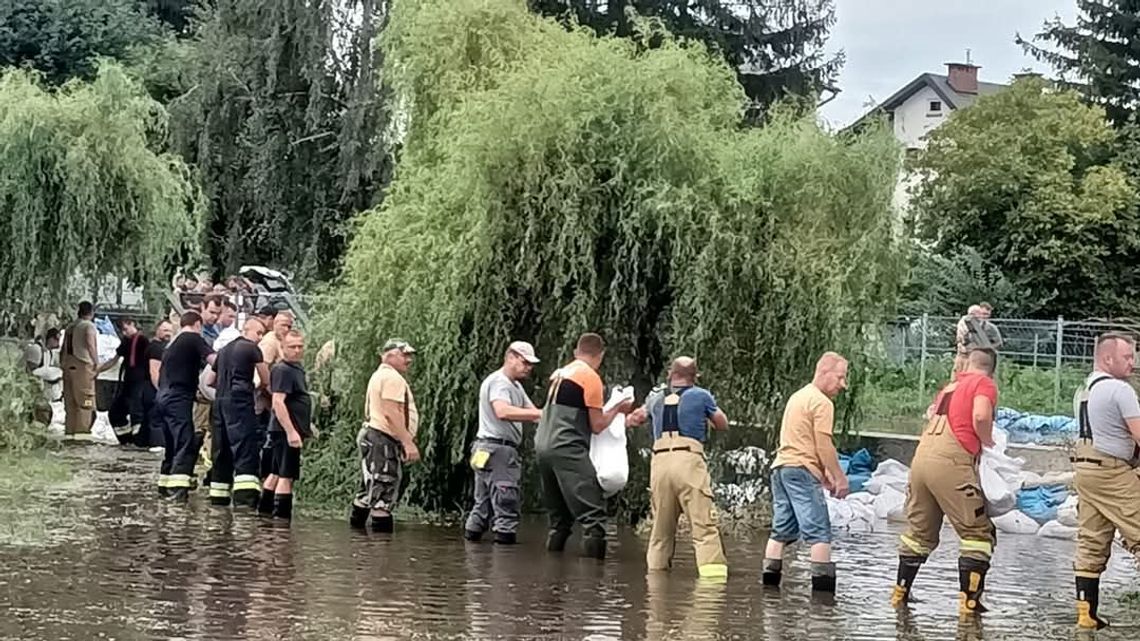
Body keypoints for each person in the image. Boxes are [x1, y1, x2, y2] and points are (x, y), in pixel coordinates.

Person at [891, 348, 998, 615]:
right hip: (951, 463)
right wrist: (987, 441)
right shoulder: (983, 383)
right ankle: (969, 604)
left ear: (968, 363)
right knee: (978, 534)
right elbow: (981, 415)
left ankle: (900, 594)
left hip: (921, 461)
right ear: (992, 369)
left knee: (919, 534)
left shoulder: (950, 387)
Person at [627, 356, 730, 579]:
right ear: (695, 377)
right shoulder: (701, 395)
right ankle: (713, 591)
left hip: (660, 463)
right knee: (704, 528)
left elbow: (635, 419)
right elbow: (722, 423)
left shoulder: (655, 398)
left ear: (670, 374)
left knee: (660, 532)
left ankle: (655, 585)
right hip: (688, 462)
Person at [534, 333, 631, 560]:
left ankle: (552, 573)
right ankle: (593, 586)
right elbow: (597, 425)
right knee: (594, 516)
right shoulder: (590, 378)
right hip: (567, 447)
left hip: (542, 445)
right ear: (601, 355)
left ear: (576, 352)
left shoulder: (559, 374)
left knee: (560, 520)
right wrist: (617, 408)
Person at [762, 352, 850, 595]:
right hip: (800, 470)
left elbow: (800, 440)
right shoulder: (822, 402)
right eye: (840, 378)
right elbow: (823, 445)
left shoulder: (798, 396)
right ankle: (823, 604)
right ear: (824, 372)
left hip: (781, 469)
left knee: (781, 531)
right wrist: (839, 477)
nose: (843, 385)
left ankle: (769, 591)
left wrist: (822, 475)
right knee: (820, 533)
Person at [1071, 333, 1140, 629]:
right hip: (1112, 471)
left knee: (1091, 541)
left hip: (1085, 470)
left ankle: (1086, 616)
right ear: (1107, 358)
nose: (1133, 363)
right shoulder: (1119, 390)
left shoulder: (1084, 390)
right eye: (1128, 357)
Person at [463, 341, 543, 545]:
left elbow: (534, 413)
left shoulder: (515, 385)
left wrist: (548, 415)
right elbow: (503, 411)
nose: (529, 368)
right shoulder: (500, 383)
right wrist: (541, 413)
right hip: (498, 451)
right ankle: (504, 566)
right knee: (506, 504)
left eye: (531, 364)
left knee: (483, 504)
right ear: (510, 358)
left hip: (485, 449)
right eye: (525, 362)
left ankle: (471, 552)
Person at [349, 339, 420, 532]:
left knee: (369, 489)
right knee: (384, 493)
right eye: (404, 355)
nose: (409, 360)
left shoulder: (379, 375)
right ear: (389, 356)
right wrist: (407, 442)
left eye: (410, 355)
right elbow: (391, 411)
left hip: (373, 435)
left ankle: (357, 540)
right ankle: (382, 554)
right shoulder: (392, 378)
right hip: (382, 438)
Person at [208, 317, 270, 508]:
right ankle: (245, 500)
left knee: (221, 449)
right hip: (240, 401)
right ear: (246, 329)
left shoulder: (223, 350)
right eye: (258, 332)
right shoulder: (252, 349)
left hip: (219, 402)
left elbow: (210, 380)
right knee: (245, 447)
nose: (260, 337)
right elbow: (266, 378)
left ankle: (218, 497)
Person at [154, 311, 216, 502]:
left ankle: (164, 484)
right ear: (197, 324)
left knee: (172, 442)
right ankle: (178, 489)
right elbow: (214, 360)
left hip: (163, 397)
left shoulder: (173, 343)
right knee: (185, 440)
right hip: (178, 398)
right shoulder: (193, 338)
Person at [261, 331, 312, 521]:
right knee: (286, 475)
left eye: (300, 346)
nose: (297, 350)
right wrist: (291, 432)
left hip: (285, 429)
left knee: (275, 472)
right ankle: (282, 523)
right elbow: (278, 402)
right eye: (292, 347)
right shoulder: (283, 370)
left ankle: (264, 516)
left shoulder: (295, 368)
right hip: (285, 431)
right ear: (282, 349)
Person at [99, 318, 151, 445]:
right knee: (115, 411)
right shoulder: (126, 342)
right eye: (122, 330)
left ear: (132, 324)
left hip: (141, 382)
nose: (124, 332)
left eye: (125, 329)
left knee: (136, 412)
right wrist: (98, 370)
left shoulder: (144, 342)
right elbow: (114, 359)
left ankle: (140, 441)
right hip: (127, 382)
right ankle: (126, 439)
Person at [61, 302, 99, 442]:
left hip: (68, 365)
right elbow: (90, 344)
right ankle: (82, 436)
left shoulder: (70, 327)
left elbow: (63, 347)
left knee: (70, 402)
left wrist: (63, 364)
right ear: (91, 312)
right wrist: (96, 362)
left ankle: (69, 434)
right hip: (83, 366)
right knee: (86, 402)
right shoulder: (88, 326)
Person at [145, 320, 175, 455]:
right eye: (164, 330)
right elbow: (154, 371)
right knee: (156, 418)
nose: (168, 333)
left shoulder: (165, 346)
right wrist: (161, 390)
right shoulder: (156, 348)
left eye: (170, 330)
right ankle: (157, 445)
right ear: (157, 330)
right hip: (155, 388)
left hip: (160, 388)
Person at [955, 304, 1002, 371]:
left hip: (984, 360)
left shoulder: (991, 328)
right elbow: (961, 340)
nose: (983, 316)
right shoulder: (964, 324)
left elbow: (999, 343)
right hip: (965, 356)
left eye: (987, 314)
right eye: (983, 314)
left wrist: (986, 350)